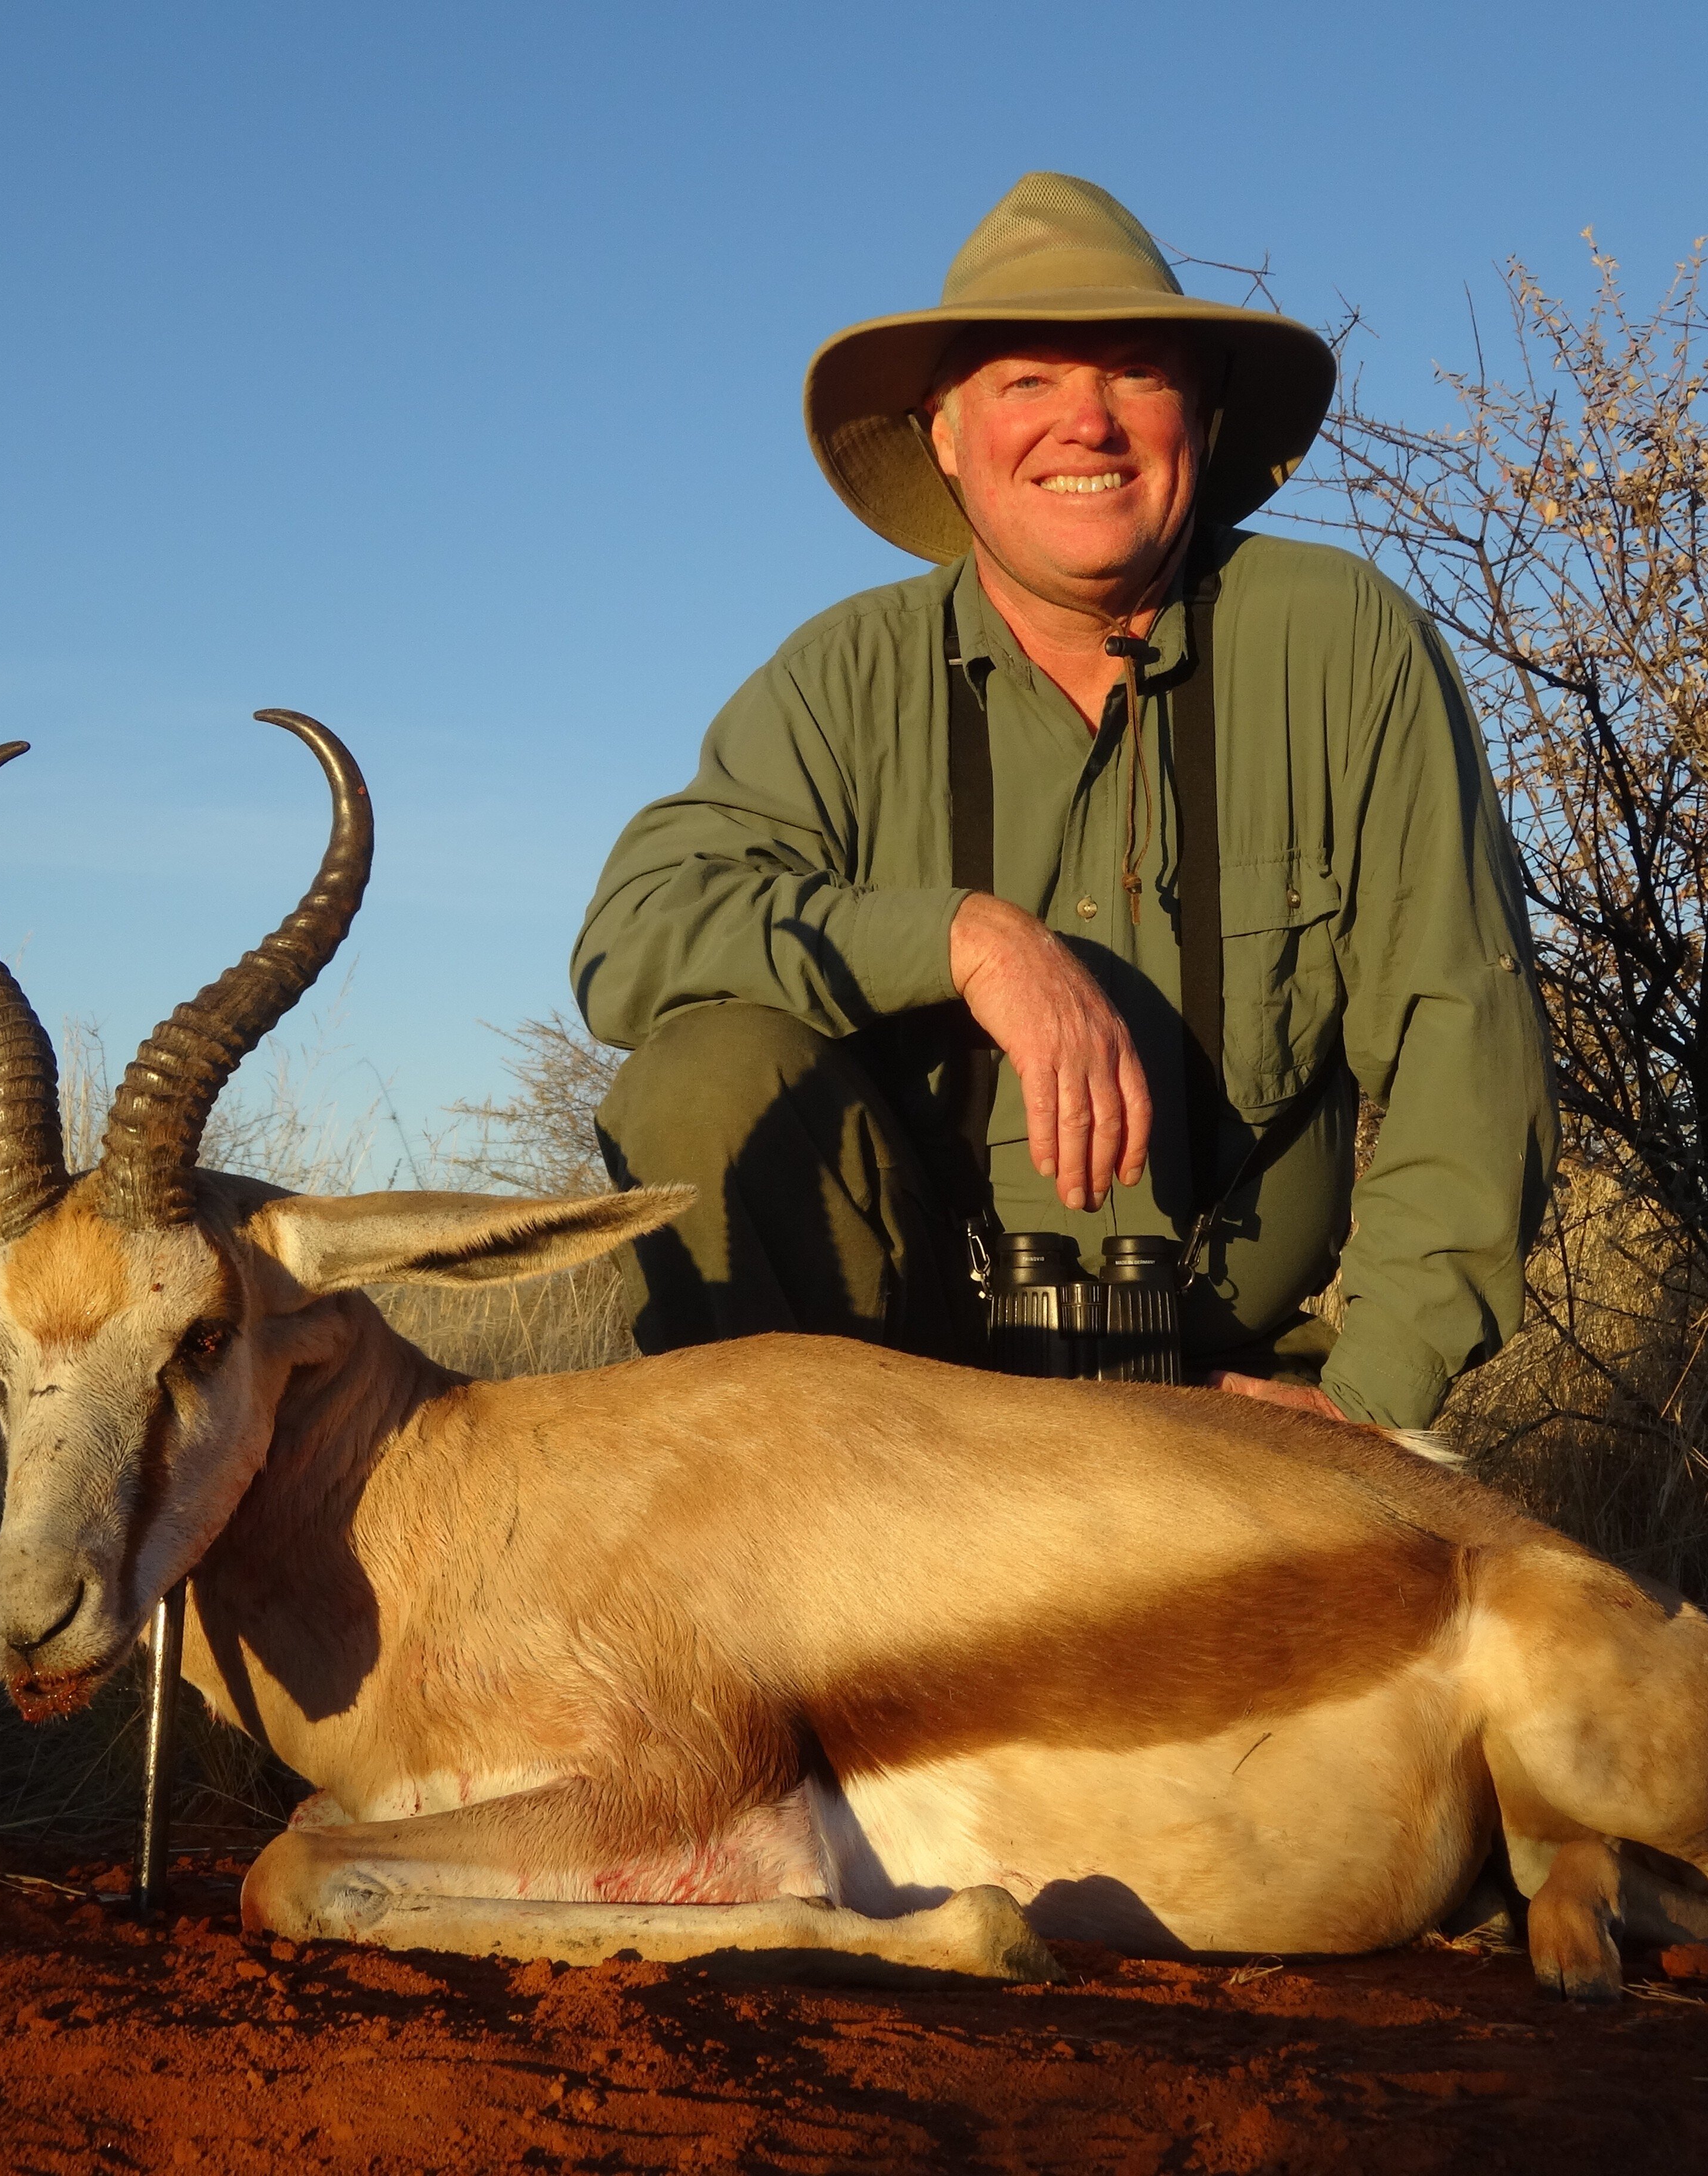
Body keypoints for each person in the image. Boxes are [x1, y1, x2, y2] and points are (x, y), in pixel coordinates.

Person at [571, 171, 1554, 1430]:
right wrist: (965, 940)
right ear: (946, 433)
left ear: (1197, 417)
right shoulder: (845, 674)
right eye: (1026, 381)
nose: (1084, 424)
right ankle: (772, 1538)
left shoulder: (1344, 639)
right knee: (699, 1075)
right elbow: (634, 935)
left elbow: (1462, 1033)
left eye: (1136, 373)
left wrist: (1374, 1406)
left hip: (1232, 1393)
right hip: (899, 1393)